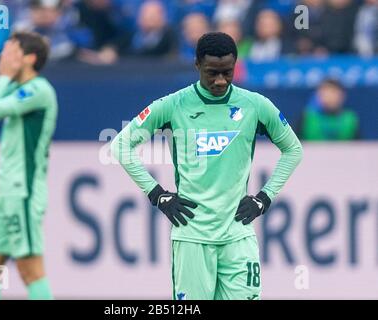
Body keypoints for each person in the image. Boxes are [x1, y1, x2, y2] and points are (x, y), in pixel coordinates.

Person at [111, 32, 303, 300]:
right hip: (192, 236)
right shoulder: (173, 105)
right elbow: (120, 145)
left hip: (238, 235)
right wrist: (157, 195)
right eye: (212, 73)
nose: (220, 80)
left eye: (227, 72)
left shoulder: (255, 105)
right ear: (197, 66)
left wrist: (263, 199)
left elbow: (293, 150)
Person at [0, 31, 58, 300]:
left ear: (29, 58)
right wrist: (5, 78)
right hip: (5, 193)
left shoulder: (38, 90)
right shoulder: (15, 89)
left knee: (29, 270)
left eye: (10, 51)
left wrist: (5, 76)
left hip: (24, 191)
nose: (2, 56)